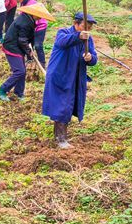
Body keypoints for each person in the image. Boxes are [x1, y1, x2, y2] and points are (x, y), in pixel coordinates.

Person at [42, 12, 98, 149]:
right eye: (85, 26)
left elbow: (94, 58)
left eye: (90, 27)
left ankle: (59, 136)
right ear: (75, 24)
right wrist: (78, 36)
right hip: (60, 75)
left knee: (67, 106)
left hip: (75, 76)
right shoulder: (63, 32)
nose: (87, 29)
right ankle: (61, 139)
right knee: (63, 106)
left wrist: (90, 58)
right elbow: (63, 42)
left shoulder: (88, 40)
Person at [0, 3, 55, 102]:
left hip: (17, 46)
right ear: (35, 14)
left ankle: (19, 93)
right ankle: (2, 90)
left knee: (22, 71)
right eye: (40, 16)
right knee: (20, 71)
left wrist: (30, 50)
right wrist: (29, 52)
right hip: (12, 47)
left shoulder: (28, 19)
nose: (40, 18)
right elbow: (22, 40)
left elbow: (26, 38)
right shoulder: (26, 22)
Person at [14, 0, 46, 69]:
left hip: (40, 26)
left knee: (38, 45)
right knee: (28, 44)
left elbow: (36, 18)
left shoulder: (32, 3)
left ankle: (42, 63)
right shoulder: (23, 3)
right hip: (30, 27)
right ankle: (29, 59)